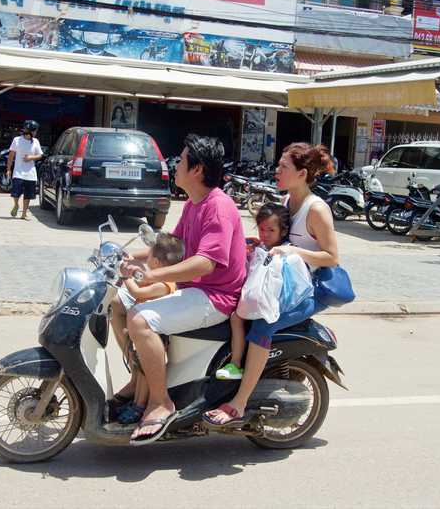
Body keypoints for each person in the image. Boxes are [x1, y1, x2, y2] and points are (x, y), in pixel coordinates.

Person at [120, 134, 247, 444]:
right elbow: (173, 246)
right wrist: (126, 255)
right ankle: (139, 379)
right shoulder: (195, 202)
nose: (174, 165)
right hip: (195, 289)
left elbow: (206, 263)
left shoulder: (217, 207)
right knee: (121, 301)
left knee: (139, 319)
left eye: (182, 159)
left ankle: (160, 401)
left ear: (198, 170)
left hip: (215, 297)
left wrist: (151, 276)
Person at [203, 142, 339, 427]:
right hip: (282, 284)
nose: (276, 171)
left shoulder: (316, 209)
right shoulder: (288, 203)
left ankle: (238, 404)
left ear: (302, 174)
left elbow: (331, 257)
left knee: (263, 322)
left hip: (307, 290)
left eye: (283, 167)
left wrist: (293, 251)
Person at [109, 232, 185, 424]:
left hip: (154, 332)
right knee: (140, 365)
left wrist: (125, 276)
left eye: (149, 257)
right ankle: (136, 400)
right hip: (141, 328)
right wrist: (130, 266)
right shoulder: (156, 277)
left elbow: (137, 291)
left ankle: (139, 404)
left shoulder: (164, 284)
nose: (147, 258)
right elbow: (139, 278)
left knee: (145, 369)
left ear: (158, 263)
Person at [215, 203, 290, 380]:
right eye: (262, 229)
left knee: (236, 317)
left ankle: (236, 363)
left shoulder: (284, 251)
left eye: (270, 230)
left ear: (283, 231)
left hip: (268, 302)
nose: (264, 235)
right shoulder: (261, 247)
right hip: (254, 297)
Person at [6, 120, 43, 221]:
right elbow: (11, 156)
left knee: (28, 194)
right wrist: (8, 169)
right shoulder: (17, 140)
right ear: (30, 131)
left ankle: (24, 213)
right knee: (16, 193)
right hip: (18, 172)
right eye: (35, 131)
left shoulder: (36, 141)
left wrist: (31, 157)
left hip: (30, 173)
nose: (36, 133)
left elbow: (40, 155)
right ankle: (16, 204)